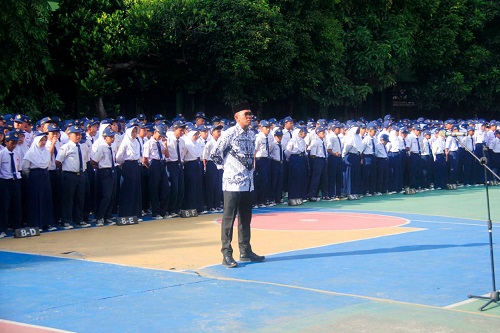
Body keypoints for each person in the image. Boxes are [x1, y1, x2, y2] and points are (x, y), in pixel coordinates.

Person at [211, 101, 265, 268]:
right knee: (228, 220)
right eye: (246, 114)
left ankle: (245, 250)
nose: (250, 117)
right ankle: (226, 253)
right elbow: (215, 154)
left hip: (248, 183)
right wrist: (228, 168)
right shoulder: (229, 134)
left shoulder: (251, 134)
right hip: (232, 184)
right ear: (236, 117)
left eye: (250, 114)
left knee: (245, 219)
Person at [55, 125, 90, 229]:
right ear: (69, 135)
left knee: (80, 198)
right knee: (68, 199)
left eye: (79, 134)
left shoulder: (82, 146)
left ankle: (79, 219)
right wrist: (65, 170)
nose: (78, 136)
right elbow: (58, 161)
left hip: (81, 175)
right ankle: (66, 220)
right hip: (69, 175)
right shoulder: (66, 147)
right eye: (76, 134)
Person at [22, 132, 54, 231]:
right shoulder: (30, 153)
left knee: (46, 198)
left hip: (45, 175)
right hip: (34, 176)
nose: (43, 142)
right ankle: (36, 224)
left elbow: (47, 165)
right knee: (35, 200)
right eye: (41, 140)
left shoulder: (46, 152)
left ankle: (46, 223)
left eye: (45, 140)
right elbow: (25, 168)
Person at [90, 127, 118, 226]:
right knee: (105, 195)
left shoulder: (111, 147)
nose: (112, 138)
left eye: (113, 136)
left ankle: (107, 216)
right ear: (105, 137)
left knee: (111, 195)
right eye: (110, 137)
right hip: (104, 171)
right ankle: (100, 217)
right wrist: (100, 168)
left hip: (112, 171)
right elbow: (93, 160)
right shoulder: (102, 147)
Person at [116, 119, 142, 219]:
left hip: (136, 165)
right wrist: (124, 164)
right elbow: (119, 157)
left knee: (136, 190)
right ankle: (126, 213)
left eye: (136, 131)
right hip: (128, 166)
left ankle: (136, 213)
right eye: (133, 131)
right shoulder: (125, 142)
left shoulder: (137, 141)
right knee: (128, 190)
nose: (134, 133)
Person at [142, 124, 170, 219]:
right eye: (160, 135)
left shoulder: (161, 143)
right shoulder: (148, 144)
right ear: (155, 132)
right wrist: (150, 167)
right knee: (154, 190)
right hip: (154, 165)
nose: (161, 137)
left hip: (162, 164)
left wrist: (165, 145)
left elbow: (167, 155)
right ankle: (156, 212)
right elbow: (144, 159)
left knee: (165, 188)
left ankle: (163, 211)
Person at [0, 131, 23, 238]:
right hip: (5, 181)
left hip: (15, 180)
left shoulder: (16, 154)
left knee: (17, 204)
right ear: (6, 142)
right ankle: (2, 228)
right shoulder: (1, 154)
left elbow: (18, 167)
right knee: (5, 205)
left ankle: (16, 226)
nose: (14, 145)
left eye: (15, 143)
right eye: (12, 143)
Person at [203, 125, 223, 212]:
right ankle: (210, 205)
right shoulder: (209, 143)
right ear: (212, 132)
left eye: (220, 131)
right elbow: (204, 156)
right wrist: (205, 167)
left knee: (218, 185)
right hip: (211, 164)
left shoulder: (221, 142)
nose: (219, 132)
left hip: (219, 164)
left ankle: (217, 204)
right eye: (217, 131)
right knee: (211, 185)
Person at [307, 126, 330, 201]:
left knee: (324, 178)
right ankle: (312, 195)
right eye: (322, 132)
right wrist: (316, 161)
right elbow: (312, 154)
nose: (324, 133)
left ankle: (325, 194)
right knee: (316, 178)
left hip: (323, 159)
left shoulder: (323, 141)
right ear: (318, 133)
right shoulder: (315, 141)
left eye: (324, 132)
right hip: (317, 159)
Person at [254, 120, 272, 207]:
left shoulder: (267, 137)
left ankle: (264, 199)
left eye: (269, 128)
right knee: (262, 181)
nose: (268, 129)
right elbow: (255, 151)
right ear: (261, 128)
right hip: (260, 160)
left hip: (266, 159)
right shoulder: (259, 137)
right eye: (266, 128)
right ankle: (259, 200)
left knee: (266, 181)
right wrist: (254, 164)